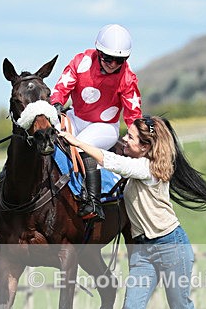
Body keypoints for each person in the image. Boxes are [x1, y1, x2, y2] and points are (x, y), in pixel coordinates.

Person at [61, 115, 206, 309]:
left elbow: (110, 160)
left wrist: (75, 141)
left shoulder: (147, 169)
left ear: (146, 147)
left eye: (131, 137)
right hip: (143, 252)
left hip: (171, 246)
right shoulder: (136, 166)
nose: (124, 138)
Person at [50, 23, 142, 220]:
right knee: (48, 135)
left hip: (105, 126)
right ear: (99, 52)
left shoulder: (127, 77)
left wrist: (137, 137)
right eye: (109, 59)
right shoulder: (80, 61)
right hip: (75, 117)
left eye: (120, 60)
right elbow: (62, 87)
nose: (113, 64)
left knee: (82, 146)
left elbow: (133, 114)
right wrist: (57, 103)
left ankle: (93, 203)